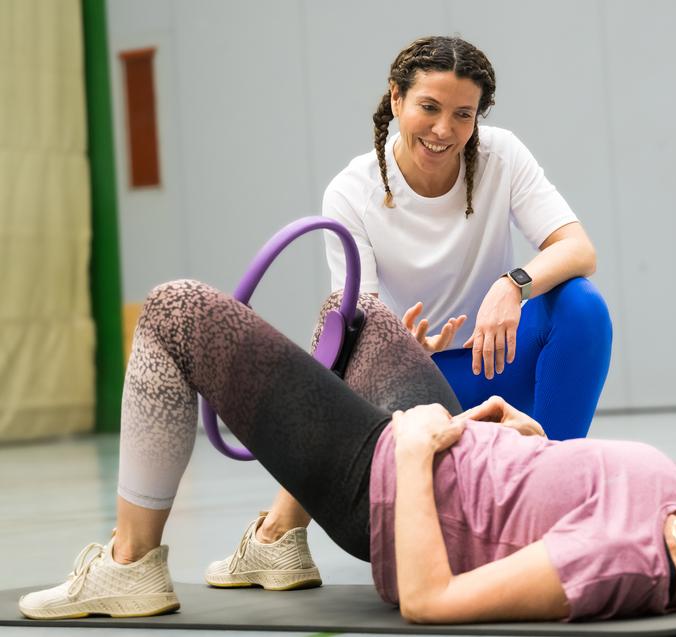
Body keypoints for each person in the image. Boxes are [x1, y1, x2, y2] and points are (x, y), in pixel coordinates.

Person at [19, 281, 676, 623]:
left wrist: (420, 455)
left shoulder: (618, 564)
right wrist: (508, 432)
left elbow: (429, 600)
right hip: (454, 442)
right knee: (357, 316)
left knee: (179, 312)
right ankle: (270, 541)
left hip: (387, 485)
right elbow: (552, 489)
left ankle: (131, 569)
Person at [207, 34, 613, 591]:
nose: (444, 129)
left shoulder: (502, 156)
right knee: (341, 331)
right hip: (411, 392)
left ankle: (551, 507)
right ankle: (277, 537)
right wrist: (398, 350)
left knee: (582, 306)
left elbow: (578, 249)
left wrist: (512, 285)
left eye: (462, 114)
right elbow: (356, 316)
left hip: (493, 365)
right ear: (396, 99)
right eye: (429, 107)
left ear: (478, 118)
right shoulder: (351, 191)